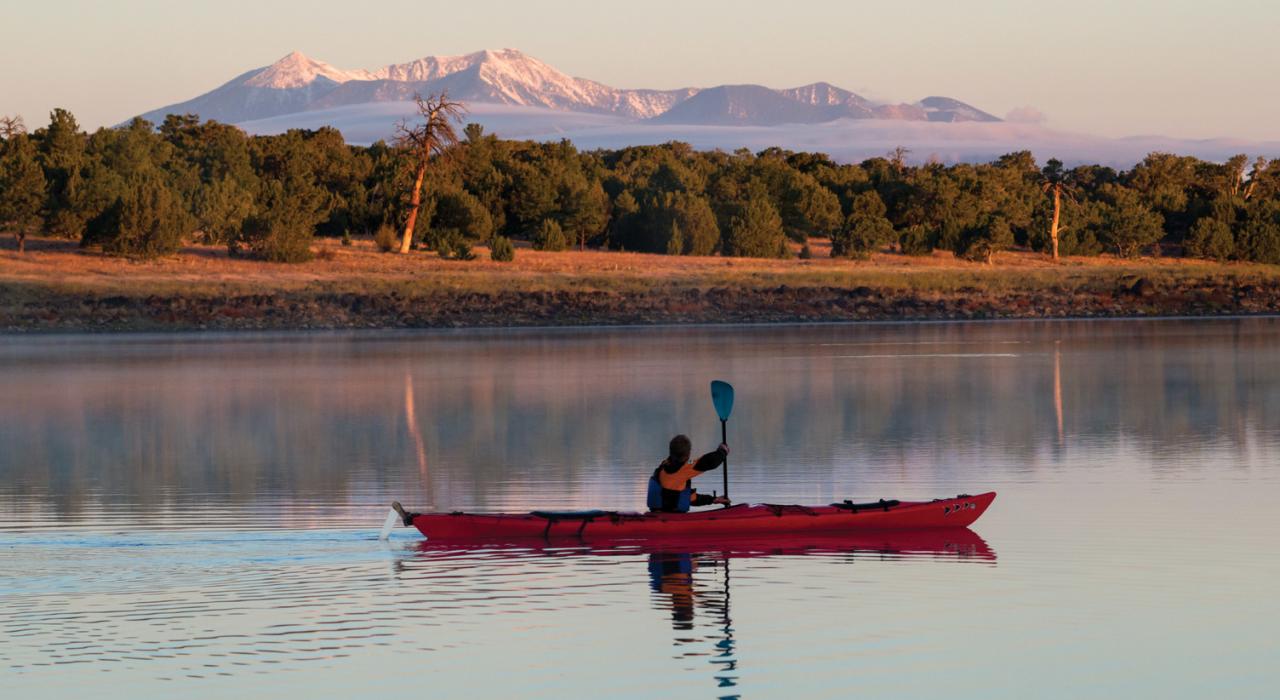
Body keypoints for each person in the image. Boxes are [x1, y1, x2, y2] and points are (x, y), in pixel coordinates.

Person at [647, 434, 731, 513]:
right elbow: (709, 461)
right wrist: (723, 451)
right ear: (688, 454)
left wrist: (713, 499)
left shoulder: (664, 465)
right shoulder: (685, 468)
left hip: (658, 513)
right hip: (672, 515)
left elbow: (689, 498)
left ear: (670, 451)